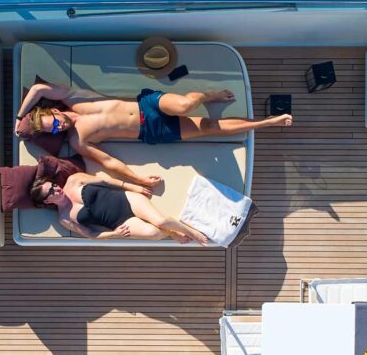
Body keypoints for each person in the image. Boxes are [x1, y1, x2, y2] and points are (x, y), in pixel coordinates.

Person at [15, 84, 293, 187]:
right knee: (209, 127)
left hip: (147, 105)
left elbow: (38, 89)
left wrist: (20, 117)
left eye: (54, 122)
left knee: (185, 104)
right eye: (53, 131)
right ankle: (267, 122)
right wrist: (137, 179)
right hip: (151, 130)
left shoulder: (74, 99)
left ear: (53, 110)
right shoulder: (78, 141)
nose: (58, 128)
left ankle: (206, 94)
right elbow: (110, 163)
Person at [29, 172, 209, 245]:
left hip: (127, 200)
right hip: (120, 222)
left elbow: (105, 181)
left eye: (53, 185)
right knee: (153, 234)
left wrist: (133, 187)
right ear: (46, 202)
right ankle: (170, 233)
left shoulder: (74, 180)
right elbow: (91, 235)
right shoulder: (65, 218)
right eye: (51, 192)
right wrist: (114, 234)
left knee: (160, 220)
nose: (56, 189)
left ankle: (192, 233)